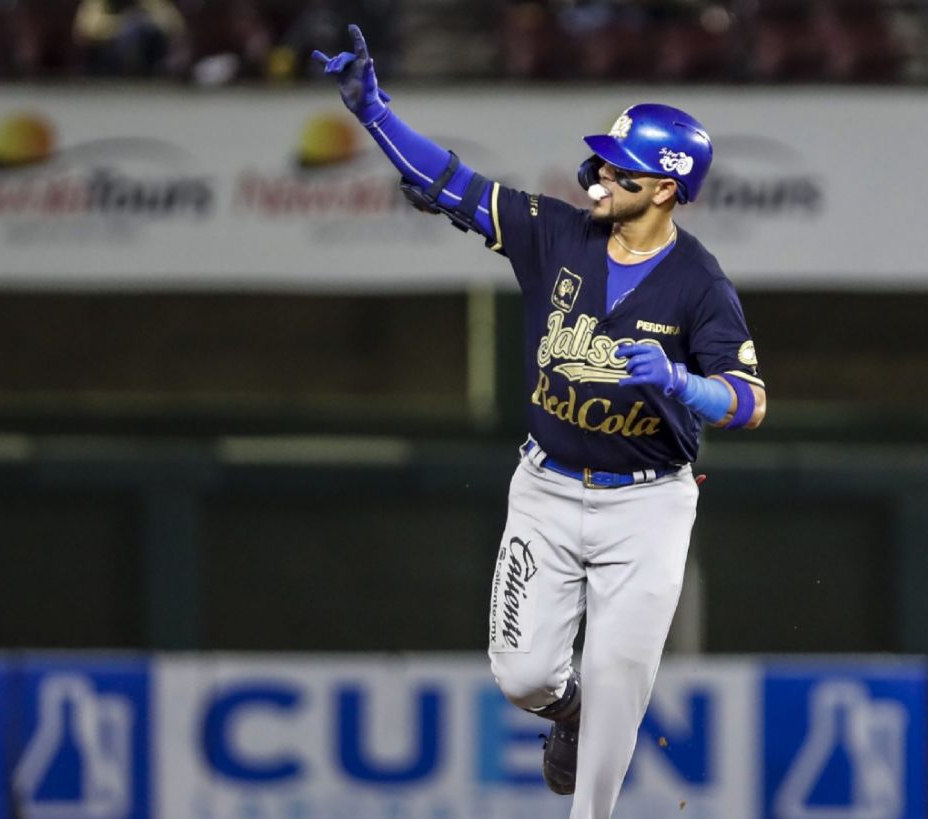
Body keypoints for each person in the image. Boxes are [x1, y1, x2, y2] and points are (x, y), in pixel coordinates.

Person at [313, 25, 767, 819]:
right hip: (548, 486)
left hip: (648, 502)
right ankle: (568, 710)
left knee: (622, 680)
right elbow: (453, 184)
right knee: (523, 676)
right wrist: (376, 115)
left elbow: (751, 399)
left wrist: (685, 383)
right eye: (602, 162)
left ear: (665, 188)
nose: (599, 175)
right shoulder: (557, 233)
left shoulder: (700, 283)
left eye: (620, 169)